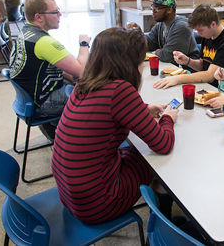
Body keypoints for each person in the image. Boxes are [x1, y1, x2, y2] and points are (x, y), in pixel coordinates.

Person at [51, 27, 178, 224]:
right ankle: (164, 224)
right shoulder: (121, 90)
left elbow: (105, 109)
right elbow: (163, 144)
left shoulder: (85, 84)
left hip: (70, 193)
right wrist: (168, 118)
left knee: (136, 150)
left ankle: (161, 210)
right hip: (96, 203)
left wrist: (144, 109)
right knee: (155, 161)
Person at [8, 0, 91, 141]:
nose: (60, 14)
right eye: (55, 12)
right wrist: (84, 44)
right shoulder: (43, 41)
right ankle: (84, 141)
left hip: (27, 99)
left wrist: (74, 78)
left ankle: (57, 128)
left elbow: (53, 69)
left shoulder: (26, 33)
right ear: (39, 17)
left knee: (78, 82)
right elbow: (81, 69)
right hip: (41, 104)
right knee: (94, 97)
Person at [153, 4, 224, 89]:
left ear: (213, 24)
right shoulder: (208, 35)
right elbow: (203, 65)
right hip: (207, 85)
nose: (198, 34)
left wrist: (177, 78)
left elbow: (210, 76)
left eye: (200, 30)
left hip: (220, 90)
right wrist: (187, 61)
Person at [126, 0, 199, 66]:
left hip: (187, 71)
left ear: (169, 10)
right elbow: (149, 44)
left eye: (157, 8)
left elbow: (168, 56)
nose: (153, 10)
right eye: (153, 6)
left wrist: (158, 52)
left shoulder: (181, 26)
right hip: (171, 68)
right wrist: (138, 34)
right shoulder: (160, 24)